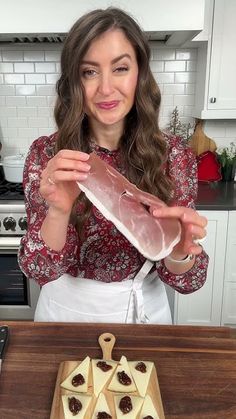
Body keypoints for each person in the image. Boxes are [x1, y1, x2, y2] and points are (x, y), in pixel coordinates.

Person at [18, 7, 209, 324]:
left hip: (144, 314)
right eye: (89, 72)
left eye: (120, 68)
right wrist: (59, 211)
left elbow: (189, 281)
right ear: (74, 82)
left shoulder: (174, 155)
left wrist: (180, 250)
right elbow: (39, 269)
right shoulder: (48, 154)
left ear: (140, 73)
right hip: (63, 316)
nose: (106, 88)